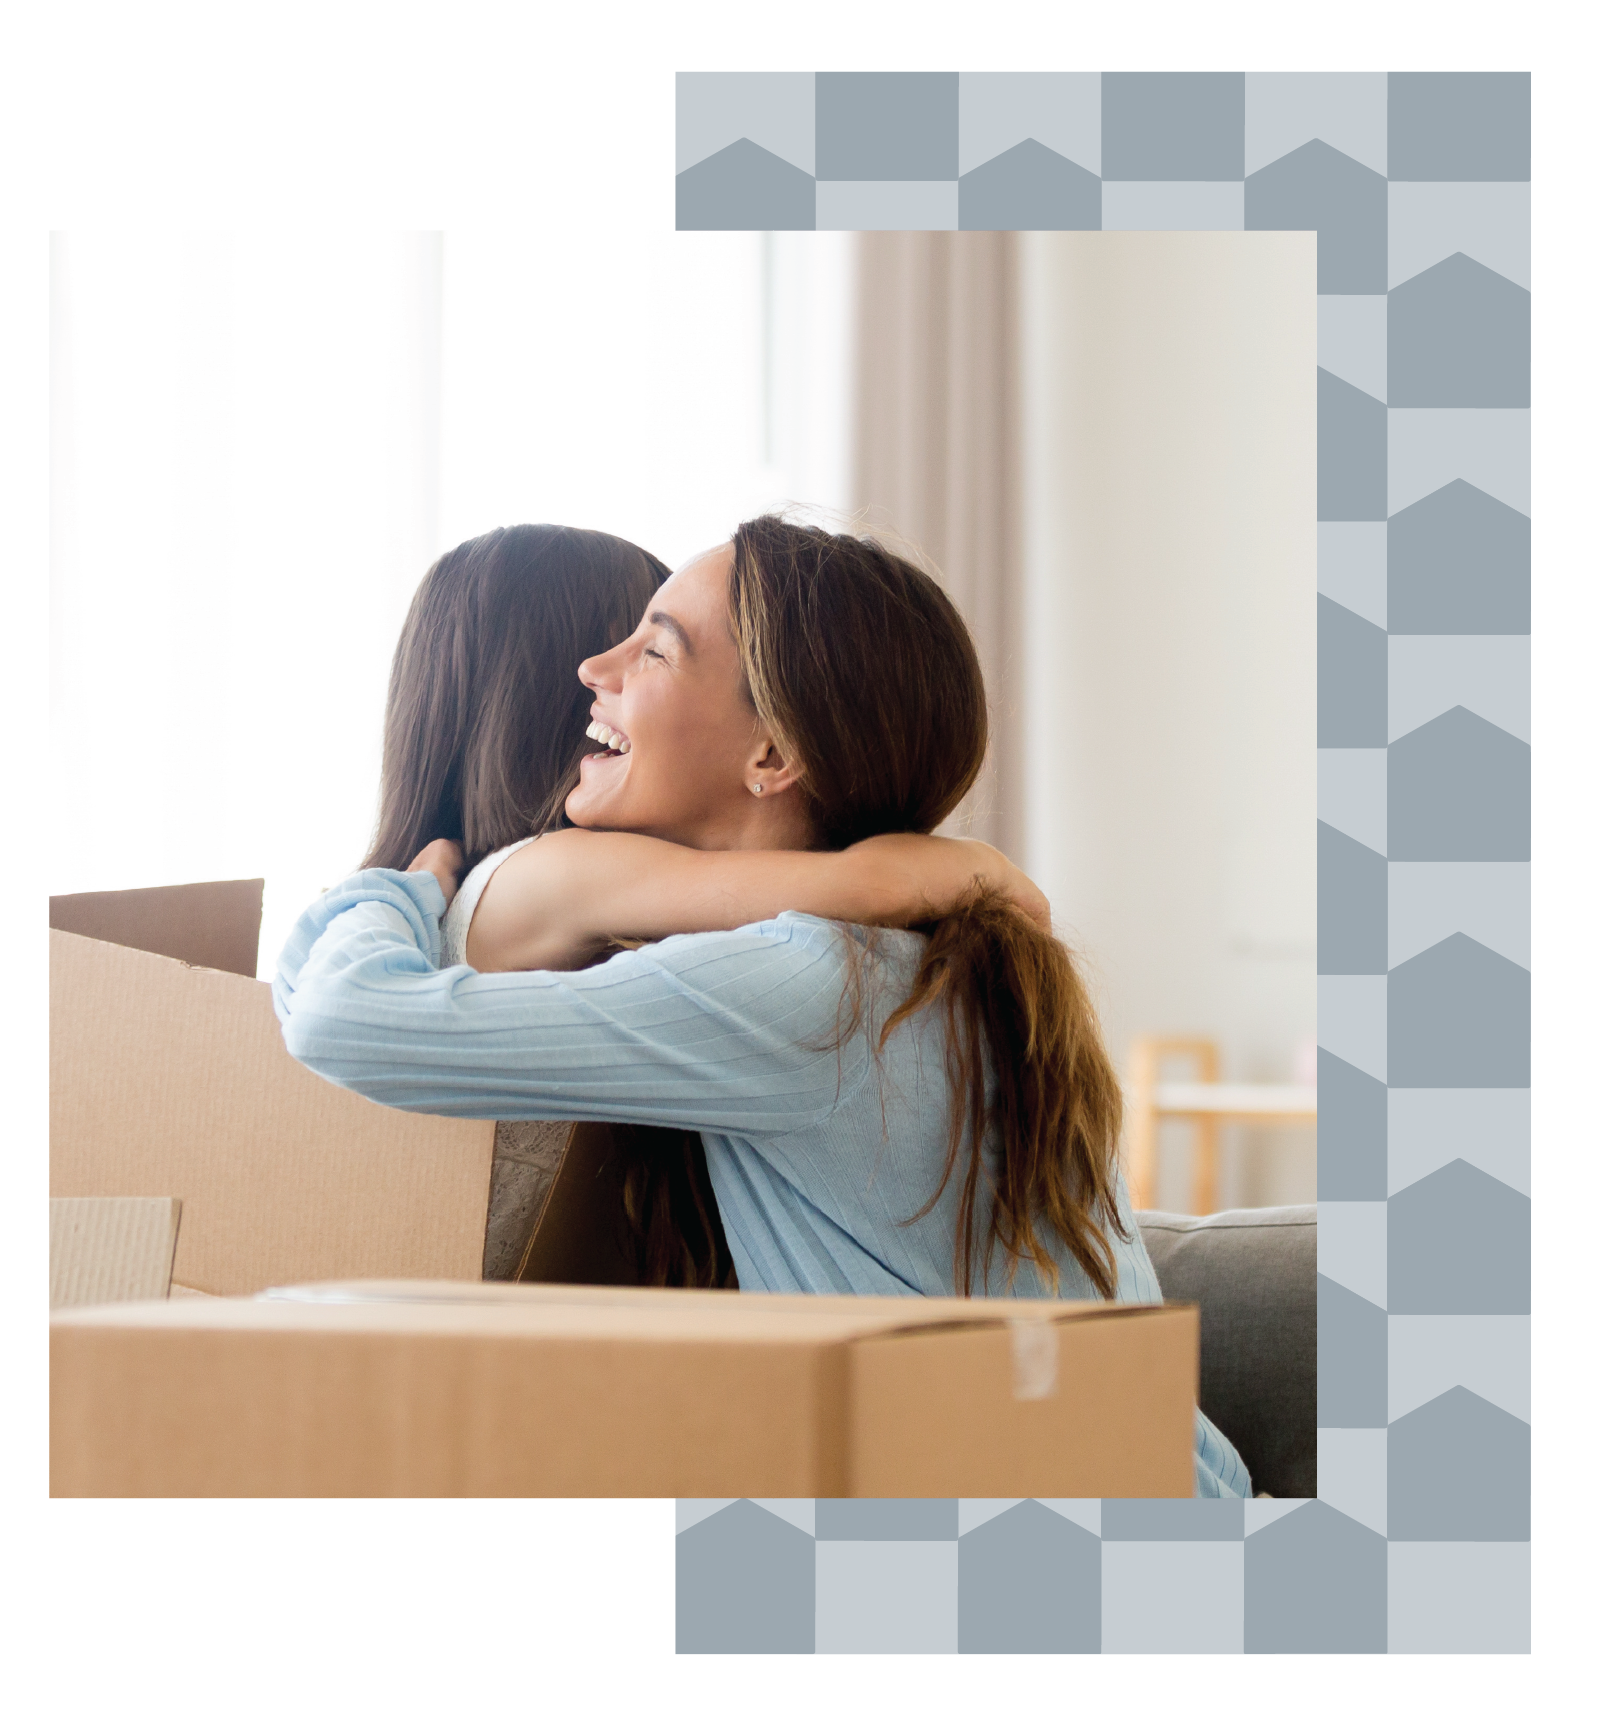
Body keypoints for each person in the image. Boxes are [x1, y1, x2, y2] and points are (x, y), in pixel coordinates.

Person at [276, 515, 1250, 1497]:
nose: (594, 668)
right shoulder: (922, 965)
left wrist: (404, 885)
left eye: (655, 648)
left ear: (772, 753)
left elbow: (340, 1018)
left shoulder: (807, 987)